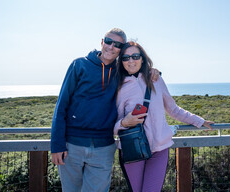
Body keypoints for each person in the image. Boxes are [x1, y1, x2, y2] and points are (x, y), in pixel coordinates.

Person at [51, 28, 160, 192]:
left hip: (104, 148)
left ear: (120, 50)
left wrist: (153, 71)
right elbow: (61, 106)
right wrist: (57, 145)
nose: (111, 47)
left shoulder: (121, 72)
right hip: (72, 146)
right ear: (102, 42)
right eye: (109, 41)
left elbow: (137, 70)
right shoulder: (79, 65)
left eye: (117, 45)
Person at [114, 41, 214, 192]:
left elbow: (173, 109)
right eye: (126, 58)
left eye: (135, 56)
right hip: (133, 149)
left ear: (142, 59)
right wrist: (124, 122)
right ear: (121, 62)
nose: (131, 61)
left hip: (160, 149)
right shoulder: (118, 87)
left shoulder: (156, 79)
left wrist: (199, 121)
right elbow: (111, 125)